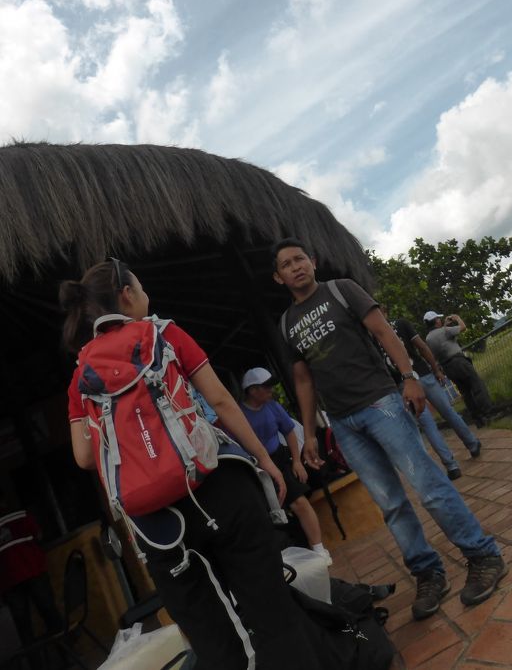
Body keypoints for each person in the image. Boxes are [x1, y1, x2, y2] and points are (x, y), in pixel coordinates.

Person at [61, 259, 320, 670]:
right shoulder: (165, 334)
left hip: (157, 525)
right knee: (273, 618)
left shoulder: (80, 377)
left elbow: (85, 457)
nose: (147, 297)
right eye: (141, 289)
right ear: (127, 295)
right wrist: (265, 460)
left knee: (213, 644)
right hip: (220, 489)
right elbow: (220, 401)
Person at [272, 238, 507, 620]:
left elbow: (384, 332)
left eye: (300, 258)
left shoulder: (341, 290)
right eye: (287, 264)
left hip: (381, 404)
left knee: (429, 487)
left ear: (313, 261)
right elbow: (303, 380)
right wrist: (311, 435)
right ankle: (428, 573)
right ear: (278, 277)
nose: (296, 266)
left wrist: (410, 377)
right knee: (392, 505)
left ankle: (483, 556)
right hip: (344, 423)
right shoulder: (286, 324)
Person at [240, 366, 331, 564]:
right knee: (271, 514)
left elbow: (289, 431)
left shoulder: (273, 406)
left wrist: (296, 461)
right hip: (256, 467)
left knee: (298, 501)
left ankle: (319, 549)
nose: (271, 390)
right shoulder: (239, 414)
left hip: (279, 458)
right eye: (266, 387)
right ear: (252, 390)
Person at [385, 312, 482, 472]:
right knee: (448, 411)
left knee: (428, 425)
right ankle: (472, 443)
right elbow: (422, 347)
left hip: (405, 384)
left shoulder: (373, 337)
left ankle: (451, 465)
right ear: (385, 312)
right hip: (423, 374)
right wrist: (436, 369)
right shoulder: (401, 324)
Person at [0, 493, 63, 669]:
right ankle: (67, 655)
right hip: (33, 569)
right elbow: (39, 535)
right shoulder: (20, 514)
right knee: (50, 613)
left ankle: (37, 666)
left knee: (24, 628)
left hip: (9, 580)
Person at [424, 311, 494, 427]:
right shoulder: (444, 331)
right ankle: (488, 413)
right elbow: (463, 327)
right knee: (477, 385)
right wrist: (457, 318)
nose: (440, 320)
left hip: (447, 367)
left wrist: (445, 325)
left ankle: (478, 419)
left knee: (465, 392)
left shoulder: (428, 338)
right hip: (459, 362)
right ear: (436, 321)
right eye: (438, 319)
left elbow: (443, 339)